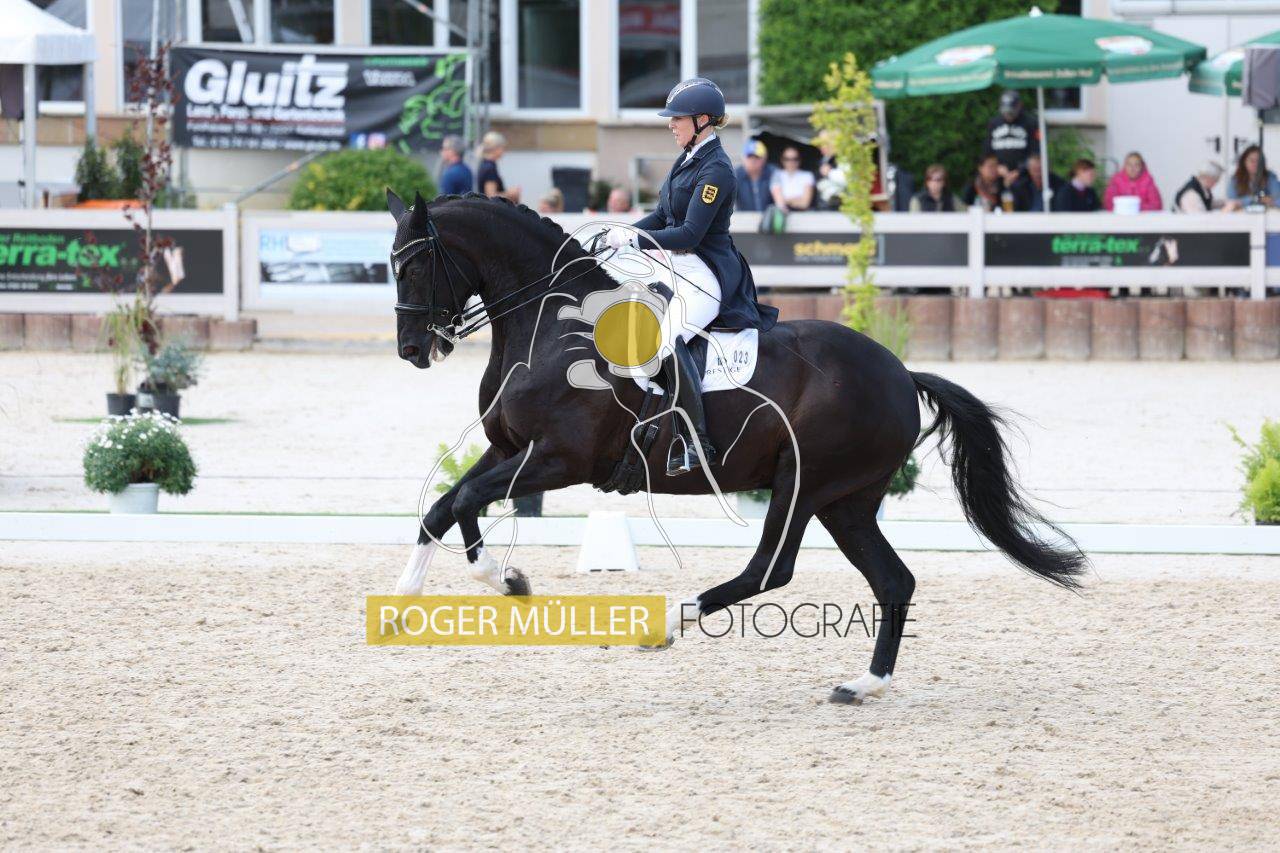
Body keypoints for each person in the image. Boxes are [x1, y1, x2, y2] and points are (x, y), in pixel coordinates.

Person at [603, 77, 779, 476]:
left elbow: (688, 234)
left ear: (702, 120)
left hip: (706, 272)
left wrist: (633, 240)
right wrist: (622, 232)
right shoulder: (687, 158)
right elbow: (663, 216)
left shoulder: (717, 169)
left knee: (667, 340)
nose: (671, 124)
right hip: (677, 264)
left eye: (677, 118)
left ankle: (696, 442)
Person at [983, 90, 1039, 180]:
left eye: (1011, 112)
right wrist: (997, 166)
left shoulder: (1030, 123)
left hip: (1024, 175)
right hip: (999, 174)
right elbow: (987, 150)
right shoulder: (994, 123)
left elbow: (1035, 150)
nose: (1008, 115)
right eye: (1005, 112)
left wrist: (1019, 171)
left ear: (1019, 106)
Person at [1225, 144, 1280, 209]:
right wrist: (1257, 199)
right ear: (1244, 162)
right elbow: (1231, 202)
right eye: (1251, 161)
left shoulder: (1270, 177)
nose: (1255, 164)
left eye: (1258, 161)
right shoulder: (1236, 179)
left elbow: (1278, 198)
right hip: (1242, 214)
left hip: (1265, 214)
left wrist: (1242, 202)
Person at [476, 131, 520, 203]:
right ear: (496, 148)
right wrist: (511, 193)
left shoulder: (485, 164)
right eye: (502, 148)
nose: (504, 151)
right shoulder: (489, 168)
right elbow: (491, 196)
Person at [734, 139, 775, 211]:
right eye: (749, 157)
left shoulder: (773, 173)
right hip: (744, 217)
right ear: (743, 158)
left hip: (769, 217)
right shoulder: (735, 175)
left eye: (757, 157)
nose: (753, 161)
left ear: (764, 159)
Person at [770, 146, 815, 212]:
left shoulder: (807, 175)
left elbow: (805, 204)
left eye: (795, 159)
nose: (791, 162)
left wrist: (787, 200)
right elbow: (779, 203)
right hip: (782, 214)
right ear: (782, 160)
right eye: (787, 159)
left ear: (800, 160)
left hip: (803, 214)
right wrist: (797, 199)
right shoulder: (777, 175)